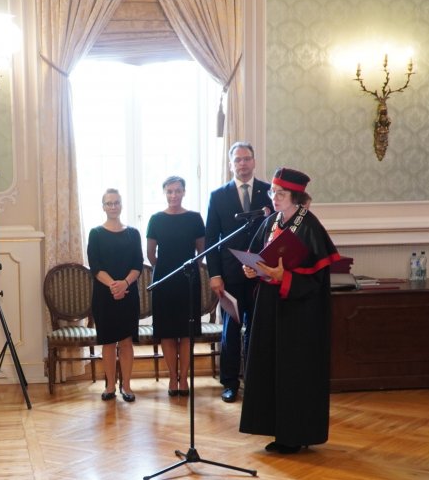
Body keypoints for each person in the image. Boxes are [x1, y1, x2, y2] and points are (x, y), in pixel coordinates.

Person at [238, 167, 343, 454]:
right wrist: (251, 269)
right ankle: (275, 428)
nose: (274, 198)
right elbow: (257, 257)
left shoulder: (309, 225)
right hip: (270, 307)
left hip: (299, 313)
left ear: (296, 196)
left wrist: (285, 277)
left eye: (281, 194)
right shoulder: (270, 222)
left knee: (294, 370)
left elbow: (317, 279)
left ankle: (296, 434)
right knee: (270, 366)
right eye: (273, 192)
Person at [205, 142, 271, 402]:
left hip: (261, 274)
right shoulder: (218, 196)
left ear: (254, 161)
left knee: (257, 329)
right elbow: (211, 240)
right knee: (231, 331)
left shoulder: (269, 192)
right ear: (231, 164)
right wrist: (215, 275)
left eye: (247, 159)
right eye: (238, 160)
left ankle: (256, 381)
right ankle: (230, 383)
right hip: (229, 275)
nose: (243, 164)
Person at [146, 176, 206, 396]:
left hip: (188, 282)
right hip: (164, 281)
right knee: (167, 332)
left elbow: (201, 252)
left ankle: (184, 378)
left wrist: (188, 271)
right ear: (164, 193)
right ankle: (173, 378)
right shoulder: (156, 219)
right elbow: (151, 254)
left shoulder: (194, 218)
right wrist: (165, 269)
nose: (174, 195)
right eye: (169, 191)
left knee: (186, 332)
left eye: (178, 190)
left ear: (184, 192)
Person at [86, 188, 143, 402]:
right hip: (104, 295)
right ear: (103, 207)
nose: (113, 206)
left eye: (116, 202)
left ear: (121, 205)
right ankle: (110, 386)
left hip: (128, 293)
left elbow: (138, 264)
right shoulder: (95, 233)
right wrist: (113, 285)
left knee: (126, 342)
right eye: (109, 203)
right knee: (108, 342)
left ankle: (126, 386)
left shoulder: (133, 233)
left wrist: (124, 284)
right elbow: (95, 266)